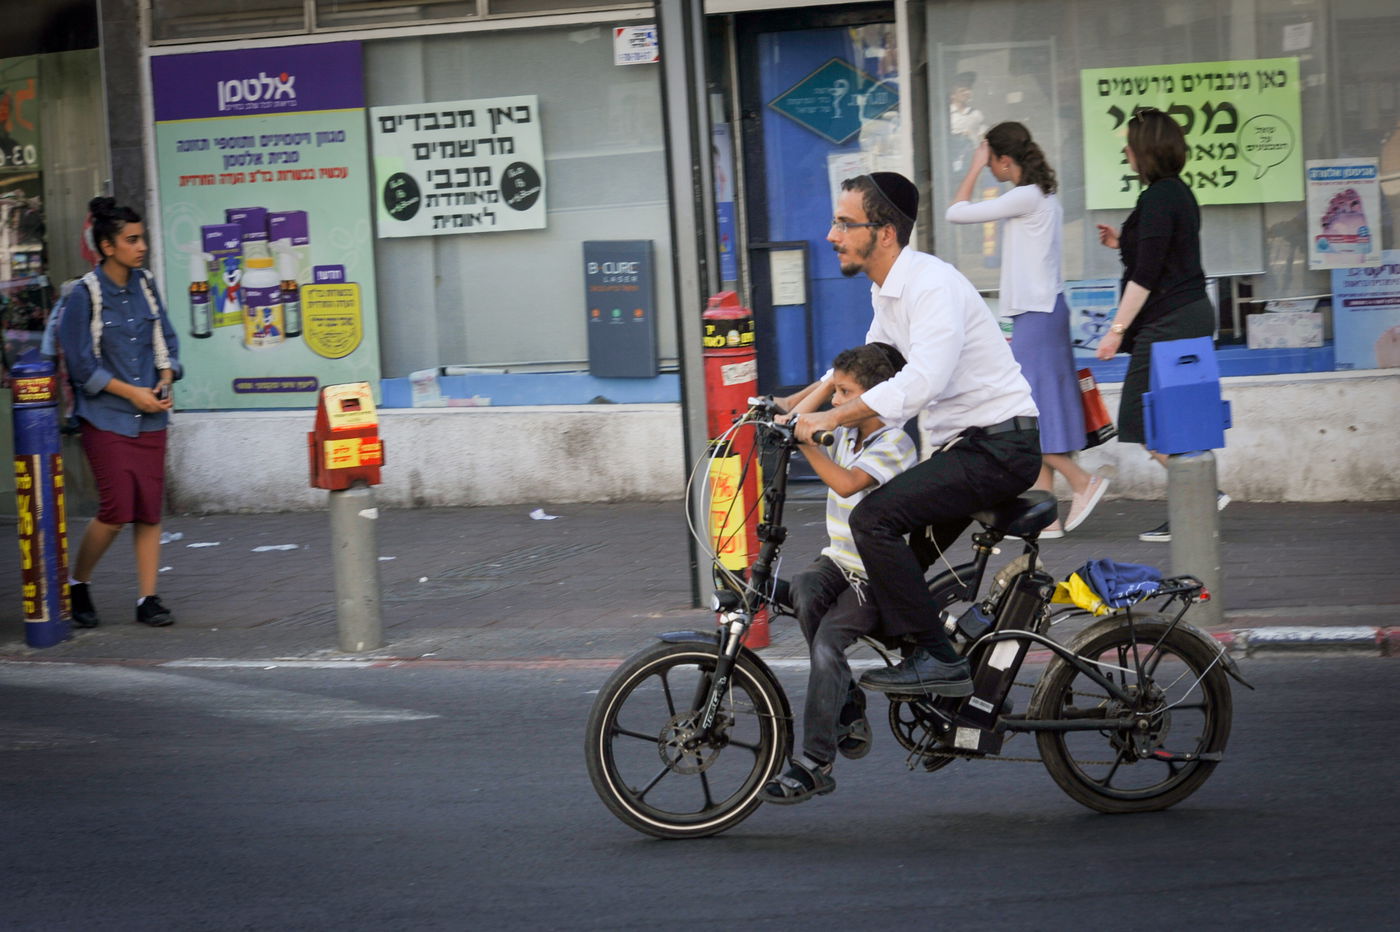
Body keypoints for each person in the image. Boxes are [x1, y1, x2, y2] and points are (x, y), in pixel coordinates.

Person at [781, 171, 1040, 696]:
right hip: (965, 449)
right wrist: (793, 403)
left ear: (885, 233)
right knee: (893, 571)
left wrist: (828, 420)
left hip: (1000, 447)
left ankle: (939, 661)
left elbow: (921, 380)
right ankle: (937, 685)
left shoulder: (931, 286)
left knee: (873, 520)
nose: (832, 235)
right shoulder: (888, 293)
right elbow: (862, 371)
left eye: (843, 223)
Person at [761, 342, 917, 805]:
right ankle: (846, 700)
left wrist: (808, 441)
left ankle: (816, 763)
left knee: (828, 642)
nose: (832, 402)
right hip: (838, 561)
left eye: (844, 392)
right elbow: (789, 423)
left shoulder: (896, 443)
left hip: (875, 575)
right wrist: (831, 381)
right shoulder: (847, 432)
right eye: (835, 390)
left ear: (872, 398)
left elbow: (848, 483)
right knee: (804, 589)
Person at [946, 122, 1110, 537]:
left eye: (992, 163)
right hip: (1043, 312)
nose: (990, 170)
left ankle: (1082, 481)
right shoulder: (1042, 196)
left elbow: (956, 212)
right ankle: (1047, 516)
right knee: (1038, 411)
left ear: (1004, 159)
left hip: (1037, 315)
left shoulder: (1025, 196)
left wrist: (973, 166)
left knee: (1027, 411)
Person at [1095, 109, 1228, 542]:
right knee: (1171, 419)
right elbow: (1163, 253)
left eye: (1130, 143)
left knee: (1140, 417)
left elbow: (1146, 277)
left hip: (1170, 319)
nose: (1125, 150)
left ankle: (1202, 496)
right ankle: (1197, 505)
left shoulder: (1157, 199)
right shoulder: (1177, 194)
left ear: (1144, 150)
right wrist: (1123, 241)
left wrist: (1115, 332)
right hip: (1186, 312)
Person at [58, 196, 183, 627]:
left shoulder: (145, 285)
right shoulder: (84, 295)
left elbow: (167, 339)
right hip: (105, 417)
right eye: (131, 240)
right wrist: (132, 394)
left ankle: (148, 598)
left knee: (149, 510)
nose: (141, 246)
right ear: (108, 246)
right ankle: (78, 583)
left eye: (142, 237)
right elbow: (81, 366)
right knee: (115, 512)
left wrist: (166, 377)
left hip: (151, 417)